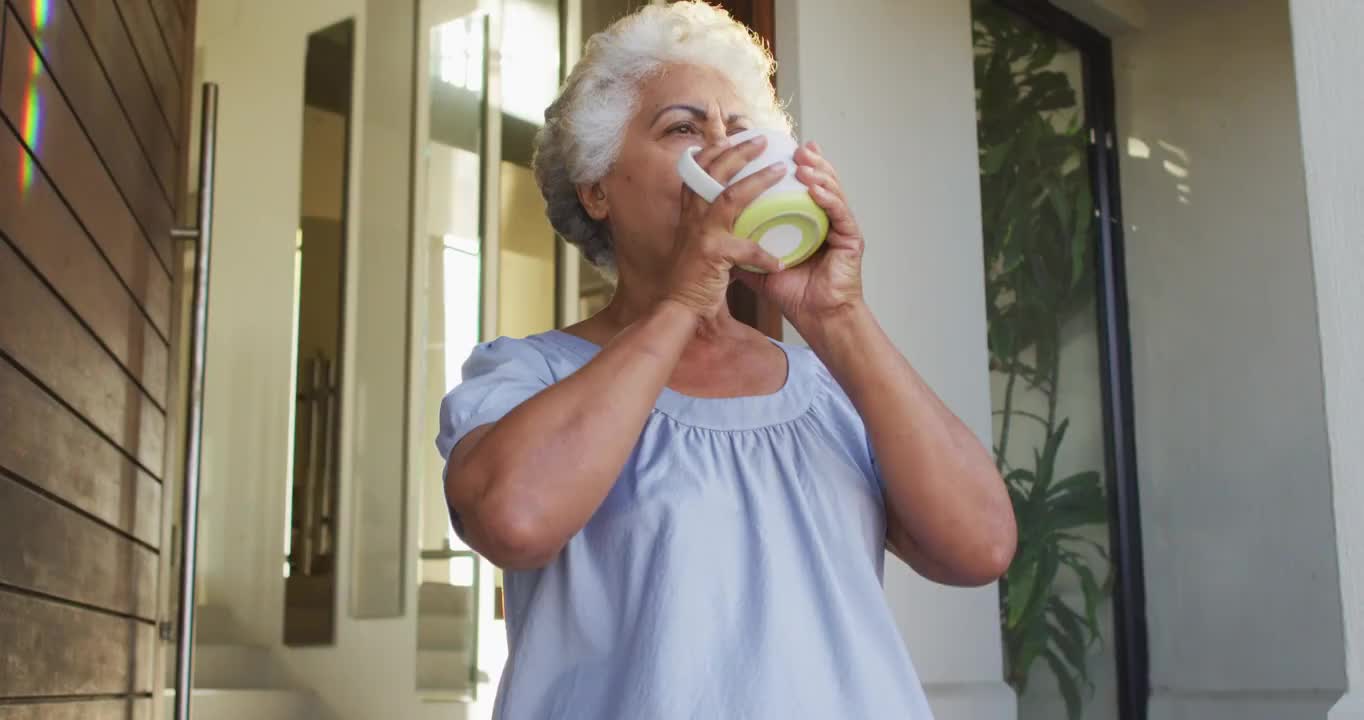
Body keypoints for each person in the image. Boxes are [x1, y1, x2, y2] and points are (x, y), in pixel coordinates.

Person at [435, 3, 1016, 717]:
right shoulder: (526, 377)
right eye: (684, 128)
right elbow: (514, 520)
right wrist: (681, 303)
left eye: (741, 133)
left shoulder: (826, 387)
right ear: (597, 187)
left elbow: (981, 547)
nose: (723, 152)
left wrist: (837, 315)